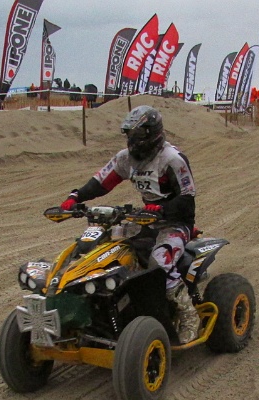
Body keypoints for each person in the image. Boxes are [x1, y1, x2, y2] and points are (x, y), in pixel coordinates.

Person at [57, 105, 200, 343]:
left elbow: (187, 200)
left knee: (159, 262)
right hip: (144, 220)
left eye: (136, 135)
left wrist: (163, 209)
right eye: (129, 135)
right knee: (102, 249)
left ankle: (188, 316)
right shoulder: (126, 158)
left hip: (174, 223)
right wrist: (75, 197)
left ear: (150, 133)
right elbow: (101, 182)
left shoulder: (172, 159)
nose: (132, 140)